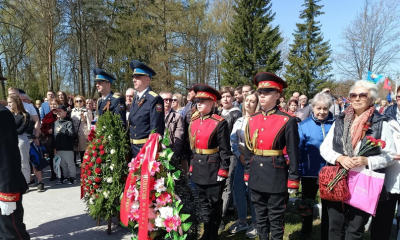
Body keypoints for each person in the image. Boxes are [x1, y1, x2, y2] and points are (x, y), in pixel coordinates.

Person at [320, 80, 396, 240]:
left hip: (364, 182)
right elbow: (325, 148)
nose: (357, 98)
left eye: (363, 95)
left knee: (354, 230)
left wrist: (367, 161)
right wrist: (339, 158)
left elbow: (390, 155)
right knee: (335, 227)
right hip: (338, 179)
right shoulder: (340, 120)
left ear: (371, 99)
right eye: (354, 95)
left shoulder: (382, 123)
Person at [244, 72, 300, 240]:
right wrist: (247, 171)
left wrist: (294, 179)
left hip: (276, 173)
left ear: (277, 95)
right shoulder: (252, 119)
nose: (262, 96)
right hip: (256, 171)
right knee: (260, 216)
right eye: (260, 92)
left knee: (275, 217)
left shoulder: (287, 120)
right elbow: (248, 149)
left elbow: (293, 152)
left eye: (267, 92)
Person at [189, 84, 231, 240]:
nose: (198, 103)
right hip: (199, 166)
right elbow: (193, 148)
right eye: (197, 100)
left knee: (214, 204)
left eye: (203, 100)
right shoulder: (194, 121)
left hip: (213, 168)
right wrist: (192, 165)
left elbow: (225, 150)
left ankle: (212, 234)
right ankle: (206, 232)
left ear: (213, 102)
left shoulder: (219, 122)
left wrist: (223, 169)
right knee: (202, 203)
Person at [298, 92, 334, 239]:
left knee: (328, 205)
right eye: (318, 108)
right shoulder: (303, 125)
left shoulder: (336, 123)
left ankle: (326, 232)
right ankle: (306, 229)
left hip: (331, 171)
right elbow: (299, 148)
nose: (322, 112)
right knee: (307, 202)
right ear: (313, 108)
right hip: (309, 170)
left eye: (325, 108)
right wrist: (299, 169)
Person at [229, 91, 259, 238]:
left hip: (254, 162)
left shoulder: (259, 120)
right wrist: (239, 154)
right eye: (247, 100)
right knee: (238, 190)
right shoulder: (239, 121)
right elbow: (233, 140)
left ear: (257, 104)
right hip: (240, 161)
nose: (248, 103)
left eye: (252, 101)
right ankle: (242, 221)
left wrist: (248, 153)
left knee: (252, 192)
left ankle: (255, 223)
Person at [372, 86, 400, 240]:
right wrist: (387, 154)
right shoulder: (384, 118)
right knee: (382, 220)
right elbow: (373, 144)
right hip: (387, 176)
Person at [0, 102, 31, 240]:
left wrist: (8, 194)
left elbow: (8, 155)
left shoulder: (2, 114)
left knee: (11, 234)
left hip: (4, 186)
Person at [128, 60, 164, 157]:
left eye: (137, 77)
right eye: (133, 77)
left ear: (147, 79)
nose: (134, 80)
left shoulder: (154, 99)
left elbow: (156, 129)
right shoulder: (136, 98)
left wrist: (152, 151)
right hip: (132, 147)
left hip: (145, 149)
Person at [218, 86, 242, 230]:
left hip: (230, 154)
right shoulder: (220, 112)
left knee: (227, 184)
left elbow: (235, 137)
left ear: (233, 98)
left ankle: (220, 217)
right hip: (219, 153)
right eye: (223, 96)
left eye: (228, 96)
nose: (225, 99)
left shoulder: (235, 114)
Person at [7, 94, 32, 185]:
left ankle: (26, 182)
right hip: (10, 140)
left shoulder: (25, 115)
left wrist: (9, 130)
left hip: (21, 141)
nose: (8, 104)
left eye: (10, 102)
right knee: (13, 162)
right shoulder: (9, 114)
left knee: (23, 162)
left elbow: (21, 130)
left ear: (16, 103)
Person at [54, 105, 77, 185]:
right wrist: (55, 147)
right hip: (59, 147)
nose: (58, 112)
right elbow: (54, 136)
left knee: (70, 163)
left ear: (65, 112)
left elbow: (71, 133)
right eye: (57, 111)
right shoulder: (56, 122)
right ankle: (66, 177)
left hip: (67, 147)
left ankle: (73, 177)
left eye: (60, 111)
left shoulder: (69, 122)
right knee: (62, 164)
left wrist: (62, 129)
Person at [41, 98, 62, 181]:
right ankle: (53, 173)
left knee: (60, 156)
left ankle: (61, 172)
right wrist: (47, 131)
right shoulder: (47, 116)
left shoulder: (62, 114)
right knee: (51, 157)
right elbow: (42, 129)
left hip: (60, 138)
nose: (53, 106)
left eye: (55, 104)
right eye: (52, 104)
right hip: (50, 139)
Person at [160, 91, 184, 157]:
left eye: (170, 100)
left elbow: (179, 136)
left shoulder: (177, 116)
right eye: (166, 100)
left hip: (170, 151)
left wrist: (174, 154)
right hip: (156, 150)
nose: (168, 102)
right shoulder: (155, 115)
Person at [71, 95, 92, 166]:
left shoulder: (87, 111)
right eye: (77, 101)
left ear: (83, 102)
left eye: (80, 101)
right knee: (74, 149)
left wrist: (90, 134)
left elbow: (89, 124)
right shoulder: (72, 111)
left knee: (83, 150)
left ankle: (84, 165)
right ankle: (74, 165)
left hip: (83, 133)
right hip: (75, 133)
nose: (78, 102)